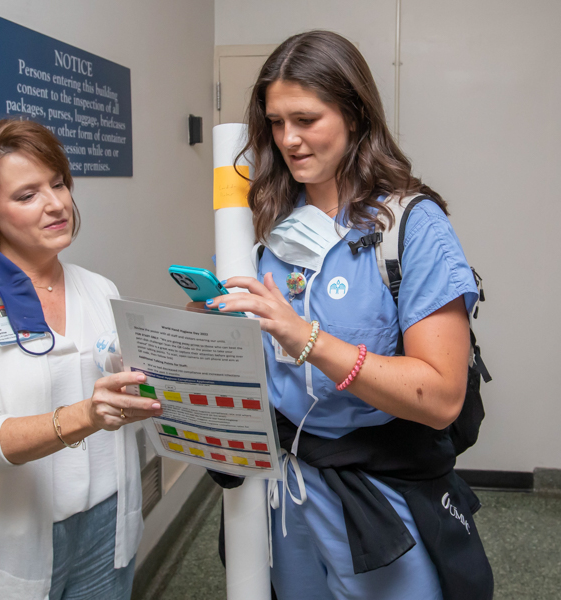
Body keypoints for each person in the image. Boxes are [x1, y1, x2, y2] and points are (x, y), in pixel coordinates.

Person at [205, 31, 493, 600]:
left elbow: (440, 398)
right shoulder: (271, 228)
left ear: (356, 115)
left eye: (307, 119)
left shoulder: (411, 227)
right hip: (288, 493)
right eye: (276, 123)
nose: (289, 139)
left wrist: (307, 338)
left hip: (378, 498)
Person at [0, 119, 162, 600]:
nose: (56, 204)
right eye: (27, 195)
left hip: (106, 529)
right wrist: (85, 415)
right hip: (6, 539)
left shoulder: (97, 288)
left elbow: (125, 385)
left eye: (59, 184)